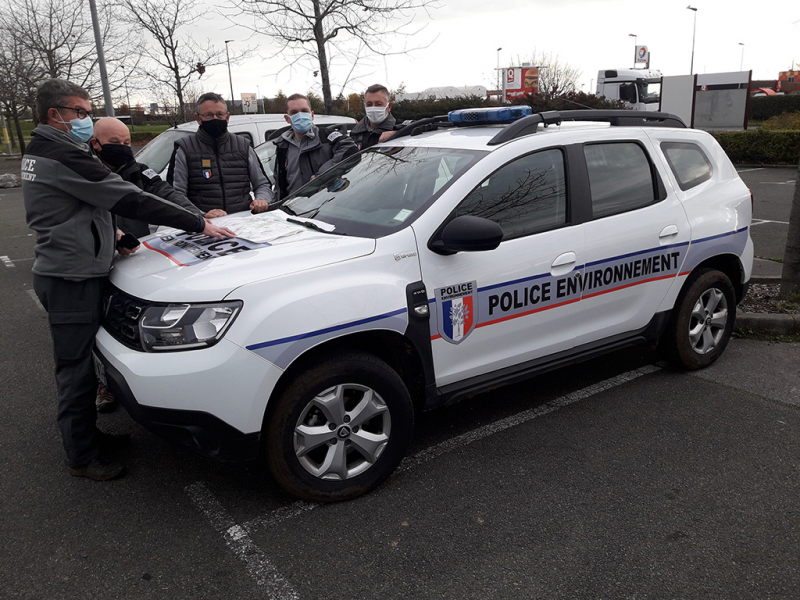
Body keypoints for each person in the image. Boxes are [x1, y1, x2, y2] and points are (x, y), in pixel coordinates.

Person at [23, 79, 236, 481]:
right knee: (74, 369)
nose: (86, 119)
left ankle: (90, 438)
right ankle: (83, 456)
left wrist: (114, 235)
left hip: (73, 268)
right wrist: (197, 223)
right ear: (56, 114)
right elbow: (124, 196)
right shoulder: (63, 153)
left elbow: (76, 207)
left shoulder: (47, 149)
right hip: (70, 277)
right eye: (81, 113)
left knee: (88, 361)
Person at [89, 116, 205, 413]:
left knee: (123, 326)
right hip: (97, 262)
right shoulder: (87, 175)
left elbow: (168, 195)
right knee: (95, 326)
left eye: (127, 143)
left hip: (135, 262)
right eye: (115, 143)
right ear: (96, 143)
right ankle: (102, 384)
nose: (124, 149)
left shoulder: (139, 171)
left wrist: (199, 219)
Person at [167, 92, 273, 218]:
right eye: (208, 115)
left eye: (219, 114)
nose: (215, 118)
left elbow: (262, 184)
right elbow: (175, 194)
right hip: (204, 226)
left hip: (243, 221)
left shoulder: (243, 146)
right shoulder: (184, 148)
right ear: (198, 118)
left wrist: (262, 200)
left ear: (227, 117)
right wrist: (201, 215)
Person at [273, 93, 359, 200]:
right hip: (290, 209)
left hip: (322, 207)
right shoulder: (282, 146)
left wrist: (322, 175)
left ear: (312, 115)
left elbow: (351, 150)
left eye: (304, 111)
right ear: (287, 118)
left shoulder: (326, 137)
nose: (300, 115)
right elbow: (278, 183)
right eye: (294, 112)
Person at [348, 84, 400, 150]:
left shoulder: (398, 130)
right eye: (369, 104)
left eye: (378, 104)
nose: (373, 107)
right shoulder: (356, 132)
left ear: (389, 106)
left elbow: (415, 127)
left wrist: (397, 132)